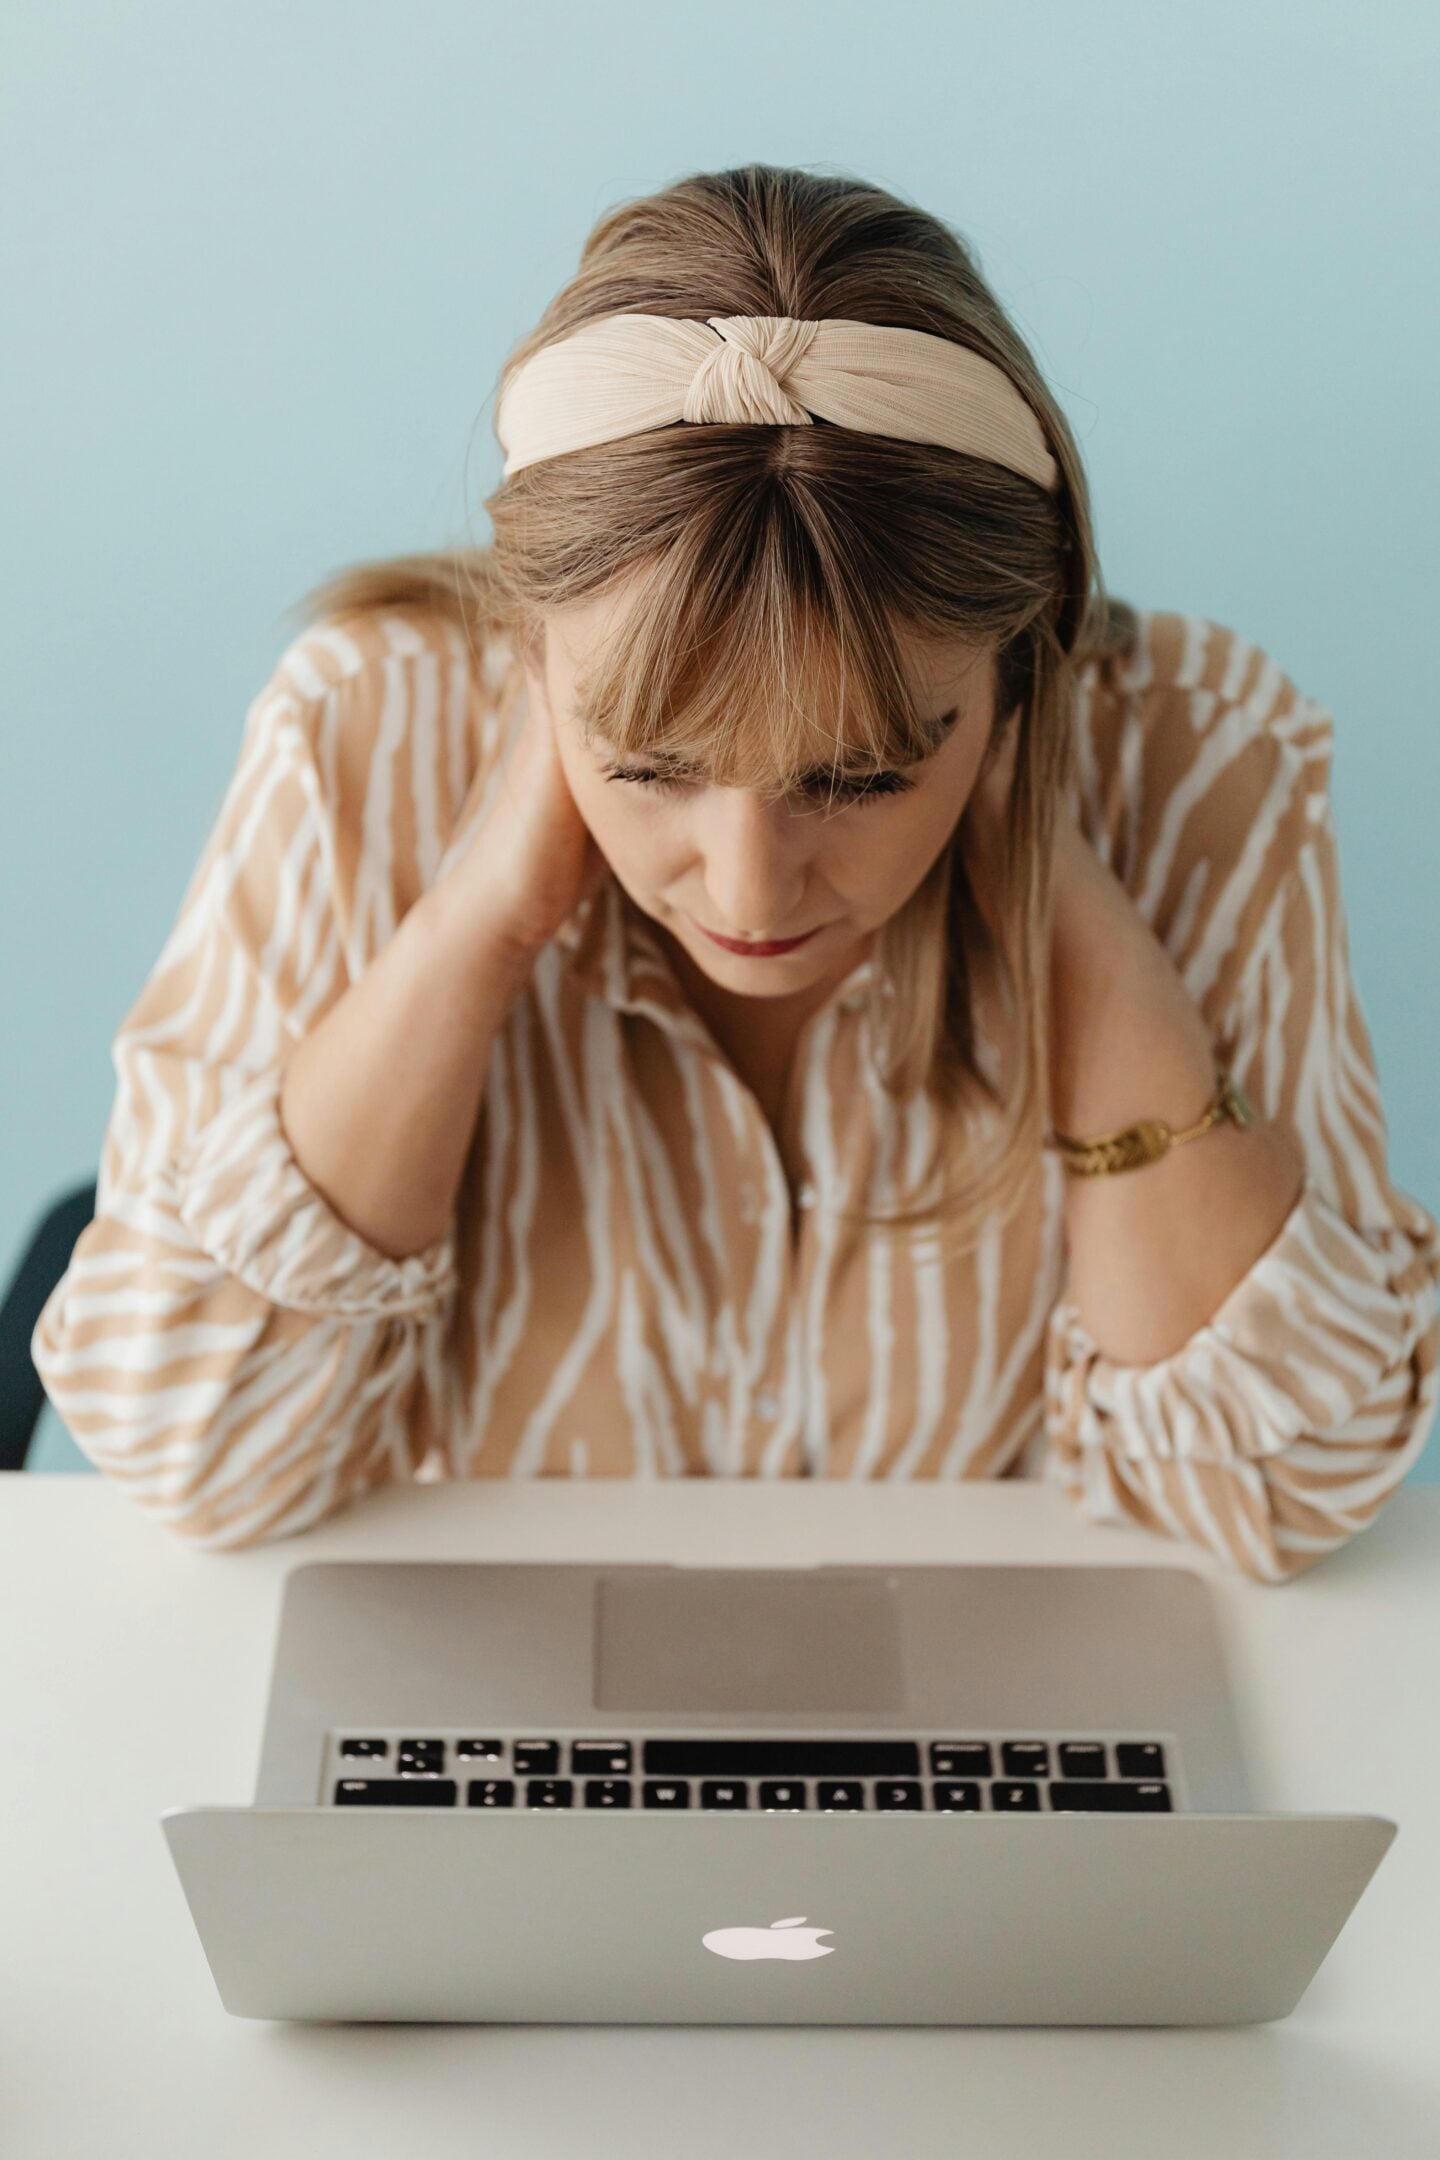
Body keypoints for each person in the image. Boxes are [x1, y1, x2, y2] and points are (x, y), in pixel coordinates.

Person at [32, 163, 1439, 1579]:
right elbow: (193, 1459)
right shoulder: (360, 731)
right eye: (653, 766)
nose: (753, 894)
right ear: (529, 654)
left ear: (1021, 666)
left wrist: (1058, 885)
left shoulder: (1203, 755)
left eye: (862, 775)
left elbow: (1285, 1495)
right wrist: (484, 916)